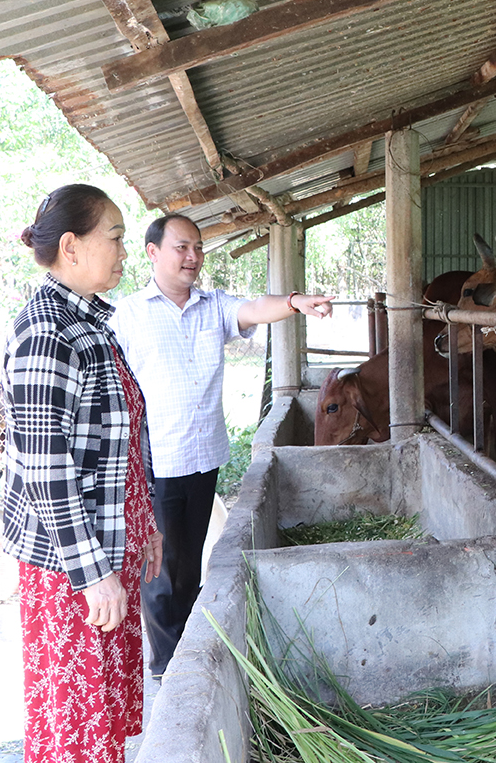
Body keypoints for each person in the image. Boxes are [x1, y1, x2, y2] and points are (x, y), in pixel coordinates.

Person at [108, 213, 333, 680]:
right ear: (153, 253)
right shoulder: (128, 316)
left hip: (203, 455)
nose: (193, 257)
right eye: (181, 248)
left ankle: (188, 645)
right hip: (158, 461)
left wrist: (295, 302)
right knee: (162, 567)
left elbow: (253, 308)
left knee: (189, 559)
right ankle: (168, 666)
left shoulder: (212, 305)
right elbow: (117, 392)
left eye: (198, 248)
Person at [1, 183, 163, 763]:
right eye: (116, 238)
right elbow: (47, 469)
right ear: (71, 247)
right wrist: (94, 575)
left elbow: (116, 443)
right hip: (71, 568)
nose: (125, 250)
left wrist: (143, 523)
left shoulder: (89, 324)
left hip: (105, 553)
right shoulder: (49, 335)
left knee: (102, 721)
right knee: (77, 728)